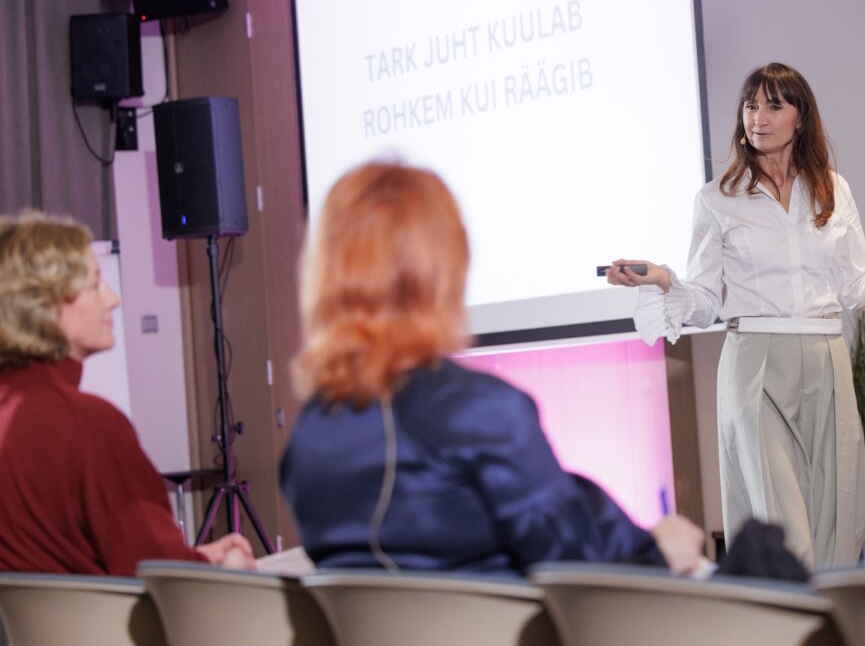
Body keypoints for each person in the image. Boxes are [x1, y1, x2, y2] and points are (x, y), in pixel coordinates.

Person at [606, 62, 865, 569]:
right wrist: (664, 280)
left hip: (826, 360)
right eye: (751, 104)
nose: (759, 117)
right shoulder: (716, 200)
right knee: (785, 528)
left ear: (802, 116)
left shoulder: (833, 190)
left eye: (775, 105)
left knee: (836, 523)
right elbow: (706, 301)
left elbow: (857, 287)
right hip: (755, 363)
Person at [280, 161, 706, 576]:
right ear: (445, 270)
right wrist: (654, 549)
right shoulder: (484, 413)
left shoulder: (309, 438)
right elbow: (577, 567)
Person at [0, 211, 255, 576]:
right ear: (46, 308)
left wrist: (201, 557)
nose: (114, 299)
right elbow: (160, 575)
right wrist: (229, 567)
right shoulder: (87, 423)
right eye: (95, 285)